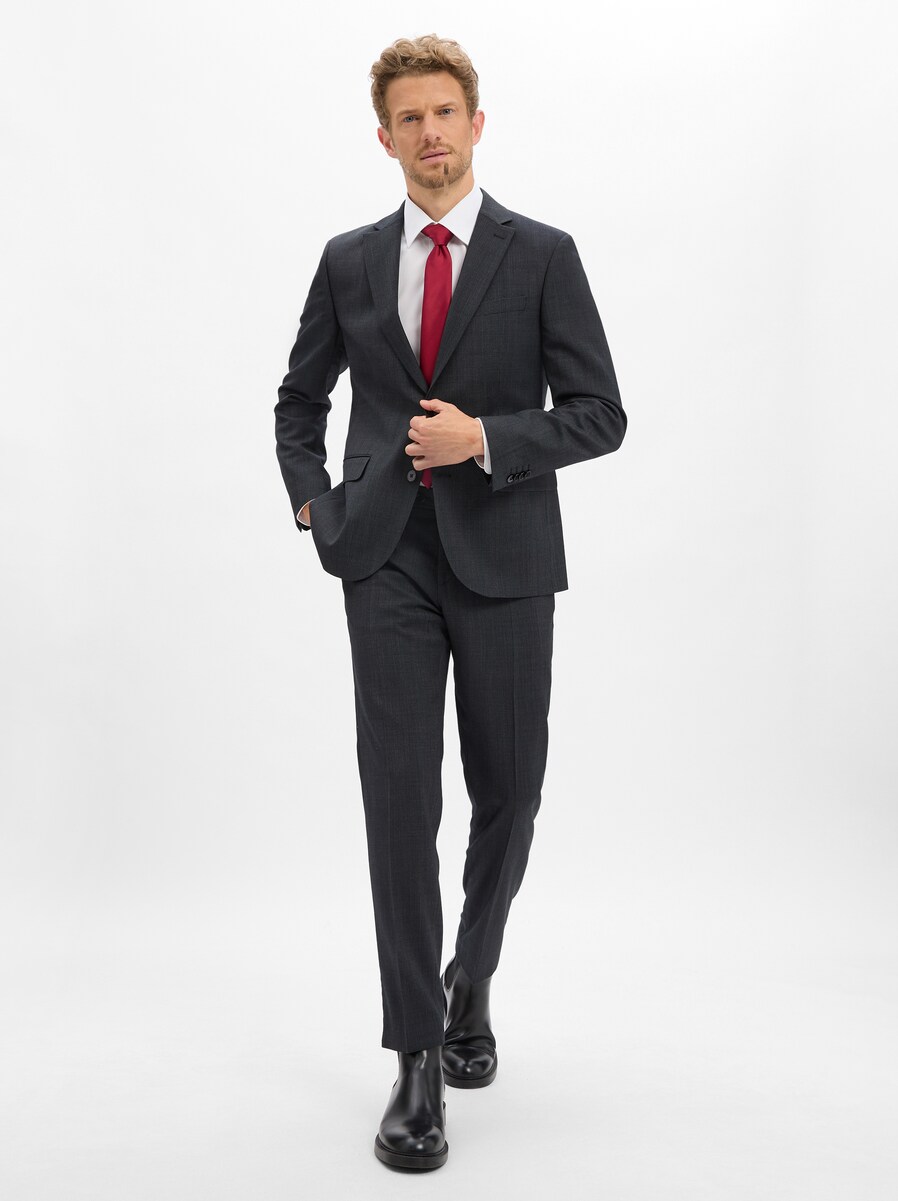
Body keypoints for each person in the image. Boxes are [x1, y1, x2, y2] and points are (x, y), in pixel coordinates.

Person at [274, 33, 626, 1171]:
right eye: (408, 119)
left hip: (507, 556)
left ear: (477, 124)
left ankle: (470, 976)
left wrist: (487, 439)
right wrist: (315, 501)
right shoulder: (347, 260)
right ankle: (417, 1054)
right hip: (384, 557)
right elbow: (298, 399)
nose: (429, 134)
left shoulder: (543, 255)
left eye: (444, 113)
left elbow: (600, 413)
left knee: (509, 792)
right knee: (397, 802)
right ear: (385, 139)